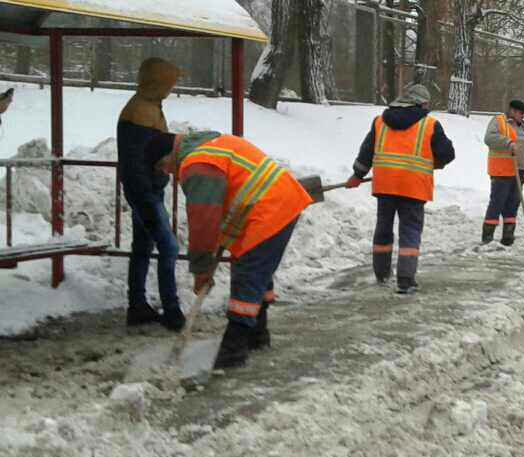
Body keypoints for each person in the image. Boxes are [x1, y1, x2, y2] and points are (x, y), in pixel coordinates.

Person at [145, 130, 312, 369]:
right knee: (256, 273)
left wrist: (202, 268)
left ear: (169, 154)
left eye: (163, 165)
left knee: (247, 275)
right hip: (277, 202)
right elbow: (222, 208)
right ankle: (257, 335)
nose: (167, 172)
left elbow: (204, 221)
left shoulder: (198, 164)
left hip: (269, 209)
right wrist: (210, 259)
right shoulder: (210, 146)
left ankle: (233, 350)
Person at [345, 84, 455, 294]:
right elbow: (447, 153)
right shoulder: (430, 125)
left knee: (383, 228)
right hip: (413, 186)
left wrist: (357, 175)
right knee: (410, 231)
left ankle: (382, 273)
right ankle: (405, 280)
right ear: (421, 103)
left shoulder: (380, 122)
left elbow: (366, 151)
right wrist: (435, 162)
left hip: (385, 184)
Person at [116, 58, 184, 330]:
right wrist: (145, 199)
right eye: (169, 83)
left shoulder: (150, 106)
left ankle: (137, 305)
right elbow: (135, 164)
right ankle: (171, 309)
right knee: (168, 247)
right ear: (158, 84)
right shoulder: (140, 112)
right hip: (145, 193)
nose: (172, 88)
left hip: (150, 189)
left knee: (142, 247)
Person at [482, 99, 524, 246]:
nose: (523, 116)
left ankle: (508, 237)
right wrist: (508, 143)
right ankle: (487, 238)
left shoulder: (523, 127)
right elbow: (489, 138)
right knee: (497, 203)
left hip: (519, 172)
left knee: (512, 204)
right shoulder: (499, 121)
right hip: (502, 171)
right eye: (521, 113)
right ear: (513, 111)